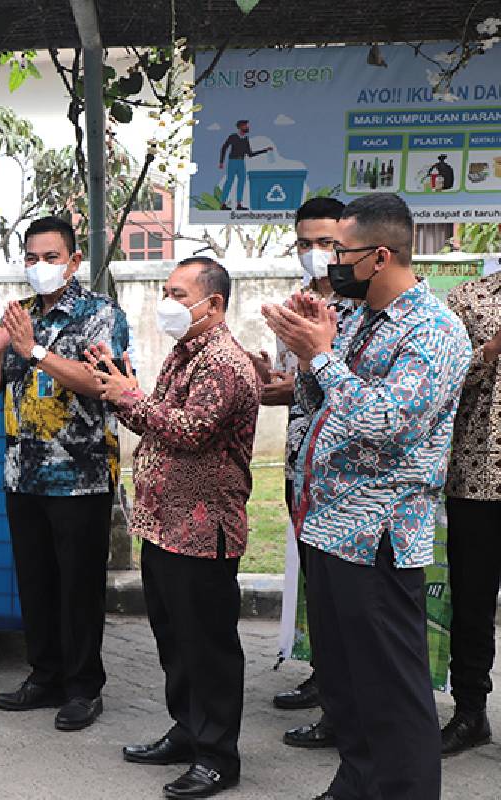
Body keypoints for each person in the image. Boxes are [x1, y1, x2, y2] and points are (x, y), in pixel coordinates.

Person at [263, 193, 471, 800]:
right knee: (346, 683)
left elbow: (386, 421)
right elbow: (314, 404)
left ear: (380, 256)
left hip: (378, 537)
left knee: (392, 691)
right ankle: (356, 782)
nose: (329, 264)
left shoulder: (435, 330)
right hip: (327, 527)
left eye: (340, 252)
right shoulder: (351, 318)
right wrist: (309, 355)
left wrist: (321, 357)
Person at [91, 257, 260, 799]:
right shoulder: (184, 353)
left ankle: (217, 756)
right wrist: (120, 389)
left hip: (203, 528)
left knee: (208, 646)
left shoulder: (224, 363)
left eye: (178, 293)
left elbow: (191, 431)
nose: (167, 301)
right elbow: (153, 421)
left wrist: (128, 396)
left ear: (212, 304)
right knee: (175, 639)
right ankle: (188, 730)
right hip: (164, 524)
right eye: (165, 290)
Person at [0, 216, 131, 733]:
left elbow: (100, 382)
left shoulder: (100, 314)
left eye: (49, 257)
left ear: (72, 261)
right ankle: (44, 675)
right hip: (23, 472)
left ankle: (84, 686)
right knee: (36, 581)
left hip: (80, 474)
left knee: (78, 585)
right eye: (30, 257)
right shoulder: (18, 315)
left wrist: (35, 352)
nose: (38, 267)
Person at [252, 197, 354, 750]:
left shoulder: (360, 307)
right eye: (304, 243)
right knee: (316, 582)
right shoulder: (298, 305)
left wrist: (297, 381)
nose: (315, 255)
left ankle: (346, 707)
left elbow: (347, 389)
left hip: (346, 476)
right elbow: (293, 388)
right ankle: (323, 678)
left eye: (326, 243)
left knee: (344, 593)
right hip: (300, 462)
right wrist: (266, 381)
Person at [440, 266, 501, 755]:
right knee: (473, 603)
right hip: (478, 477)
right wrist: (492, 348)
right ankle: (469, 713)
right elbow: (443, 377)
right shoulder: (468, 298)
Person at [218, 120, 273, 211]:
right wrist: (221, 162)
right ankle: (223, 204)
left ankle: (239, 204)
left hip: (241, 162)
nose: (247, 127)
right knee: (229, 182)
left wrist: (265, 150)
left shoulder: (245, 139)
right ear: (240, 127)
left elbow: (250, 154)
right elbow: (224, 147)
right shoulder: (233, 137)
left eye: (247, 126)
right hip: (232, 161)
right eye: (246, 126)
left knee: (241, 182)